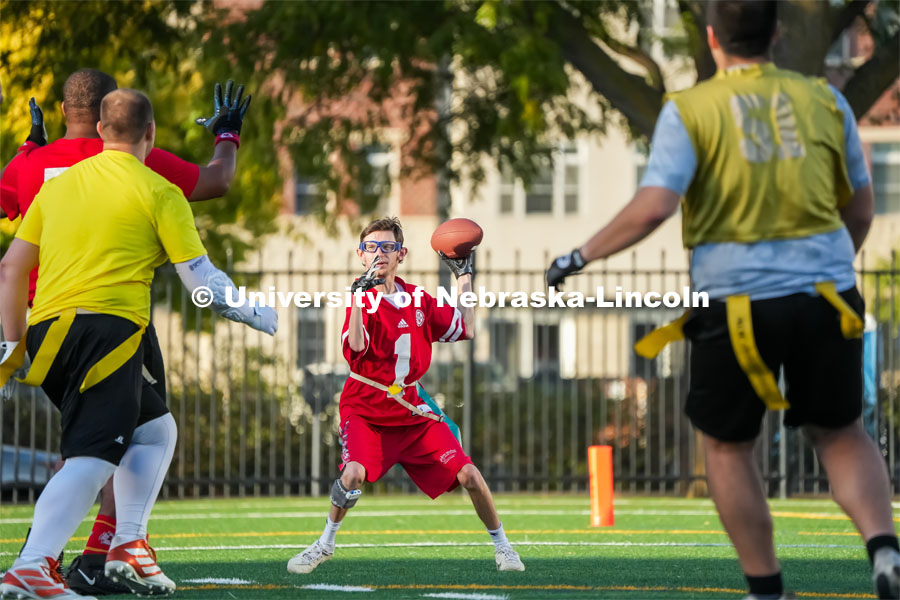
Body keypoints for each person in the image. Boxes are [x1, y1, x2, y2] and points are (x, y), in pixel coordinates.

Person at [547, 2, 897, 598]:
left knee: (729, 446)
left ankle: (767, 588)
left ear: (712, 39)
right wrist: (833, 266)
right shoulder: (826, 99)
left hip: (736, 304)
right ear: (777, 33)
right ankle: (885, 550)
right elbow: (859, 210)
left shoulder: (690, 109)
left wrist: (579, 255)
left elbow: (655, 205)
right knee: (841, 433)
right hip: (826, 295)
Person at [0, 89, 276, 600]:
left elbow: (11, 268)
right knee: (94, 456)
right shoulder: (159, 189)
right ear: (150, 134)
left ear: (101, 131)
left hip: (48, 331)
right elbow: (202, 284)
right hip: (107, 334)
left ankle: (128, 545)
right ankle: (32, 566)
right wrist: (256, 311)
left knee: (154, 431)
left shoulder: (55, 188)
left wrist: (10, 349)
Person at [286, 217, 525, 575]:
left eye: (388, 247)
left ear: (402, 254)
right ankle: (324, 544)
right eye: (372, 247)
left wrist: (464, 277)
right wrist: (357, 298)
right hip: (366, 408)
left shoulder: (418, 299)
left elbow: (467, 327)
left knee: (469, 475)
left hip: (411, 409)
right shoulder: (361, 300)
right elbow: (354, 348)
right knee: (351, 475)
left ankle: (504, 548)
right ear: (360, 255)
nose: (379, 253)